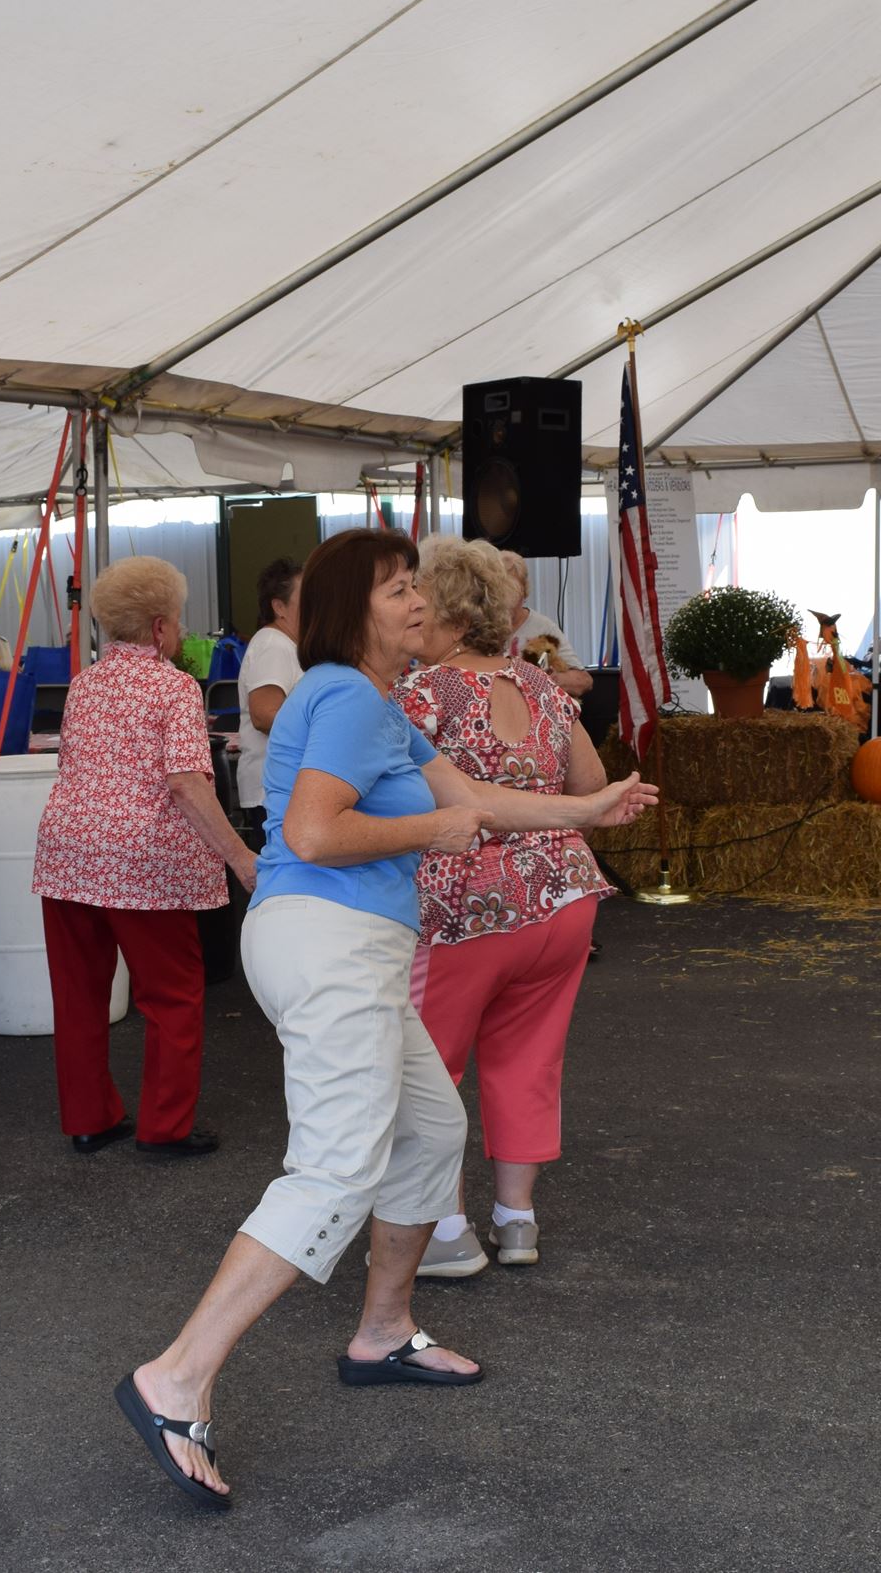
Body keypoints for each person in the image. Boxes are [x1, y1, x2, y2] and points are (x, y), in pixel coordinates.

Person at [116, 528, 654, 1507]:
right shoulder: (348, 696)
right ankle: (177, 1375)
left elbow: (478, 799)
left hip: (340, 940)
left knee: (431, 1127)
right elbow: (317, 832)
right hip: (326, 937)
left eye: (417, 585)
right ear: (348, 608)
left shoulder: (375, 710)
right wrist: (430, 830)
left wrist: (591, 808)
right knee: (333, 1163)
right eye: (397, 587)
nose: (418, 599)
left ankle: (381, 1331)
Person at [397, 537, 611, 1277]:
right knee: (529, 1057)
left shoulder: (423, 694)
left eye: (418, 598)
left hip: (464, 904)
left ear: (449, 612)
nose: (411, 611)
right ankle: (517, 1222)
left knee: (428, 1068)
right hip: (561, 897)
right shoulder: (548, 687)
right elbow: (591, 784)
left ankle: (447, 1228)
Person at [32, 557, 257, 1160]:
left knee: (79, 996)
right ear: (159, 627)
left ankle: (89, 1119)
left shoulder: (85, 683)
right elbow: (186, 783)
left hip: (69, 853)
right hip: (144, 861)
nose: (181, 633)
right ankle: (165, 1127)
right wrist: (240, 858)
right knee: (173, 995)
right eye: (178, 621)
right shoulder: (174, 686)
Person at [233, 558, 303, 846]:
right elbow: (264, 715)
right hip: (272, 793)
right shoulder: (274, 645)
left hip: (279, 790)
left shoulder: (285, 645)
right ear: (279, 607)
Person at [497, 551, 592, 699]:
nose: (505, 606)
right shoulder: (478, 629)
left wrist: (552, 679)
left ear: (524, 592)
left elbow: (584, 681)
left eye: (512, 595)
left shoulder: (543, 627)